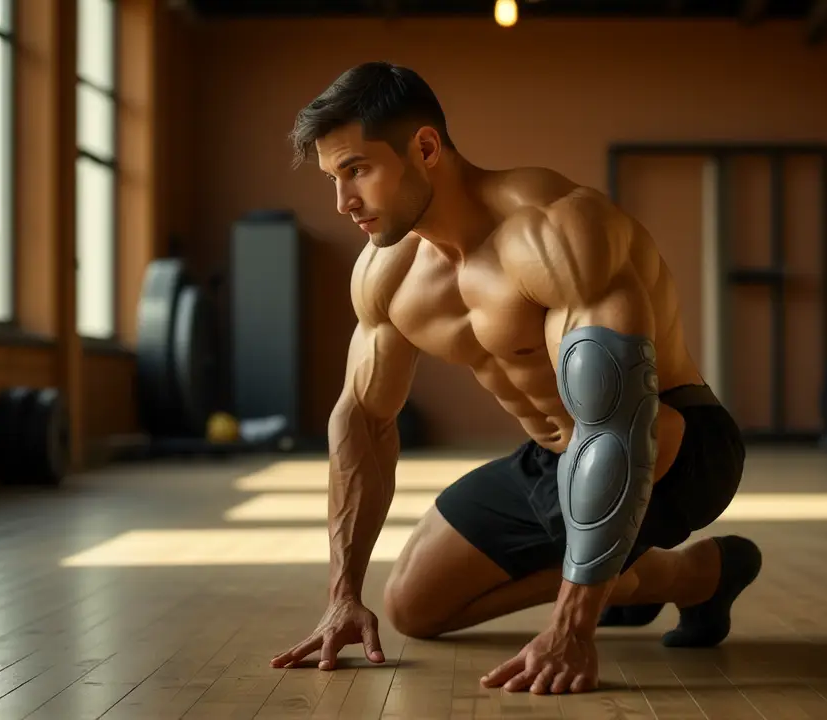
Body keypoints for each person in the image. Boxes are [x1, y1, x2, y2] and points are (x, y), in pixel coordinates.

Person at [268, 61, 761, 695]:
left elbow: (620, 420)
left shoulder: (556, 233)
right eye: (334, 178)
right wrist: (342, 594)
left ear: (424, 148)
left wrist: (571, 630)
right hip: (553, 456)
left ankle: (642, 582)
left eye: (358, 170)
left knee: (642, 431)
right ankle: (679, 577)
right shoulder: (386, 274)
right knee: (413, 609)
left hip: (675, 439)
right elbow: (363, 420)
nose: (344, 202)